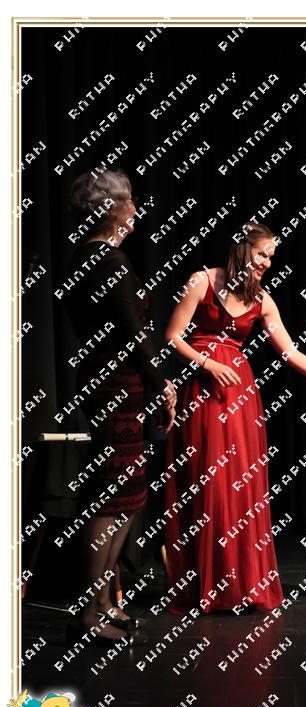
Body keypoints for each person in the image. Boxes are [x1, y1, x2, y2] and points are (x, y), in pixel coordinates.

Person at [161, 222, 306, 614]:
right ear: (242, 249)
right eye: (262, 254)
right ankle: (204, 585)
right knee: (208, 483)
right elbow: (172, 335)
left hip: (240, 397)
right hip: (203, 392)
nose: (268, 262)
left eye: (271, 257)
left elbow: (291, 353)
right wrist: (208, 364)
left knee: (239, 486)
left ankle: (239, 586)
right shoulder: (202, 281)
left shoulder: (262, 300)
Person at [63, 169, 176, 644]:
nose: (135, 210)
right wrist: (162, 384)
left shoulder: (87, 257)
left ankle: (105, 603)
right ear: (111, 209)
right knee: (112, 499)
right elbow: (134, 335)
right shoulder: (109, 261)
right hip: (118, 388)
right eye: (128, 201)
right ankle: (87, 615)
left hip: (113, 385)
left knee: (127, 497)